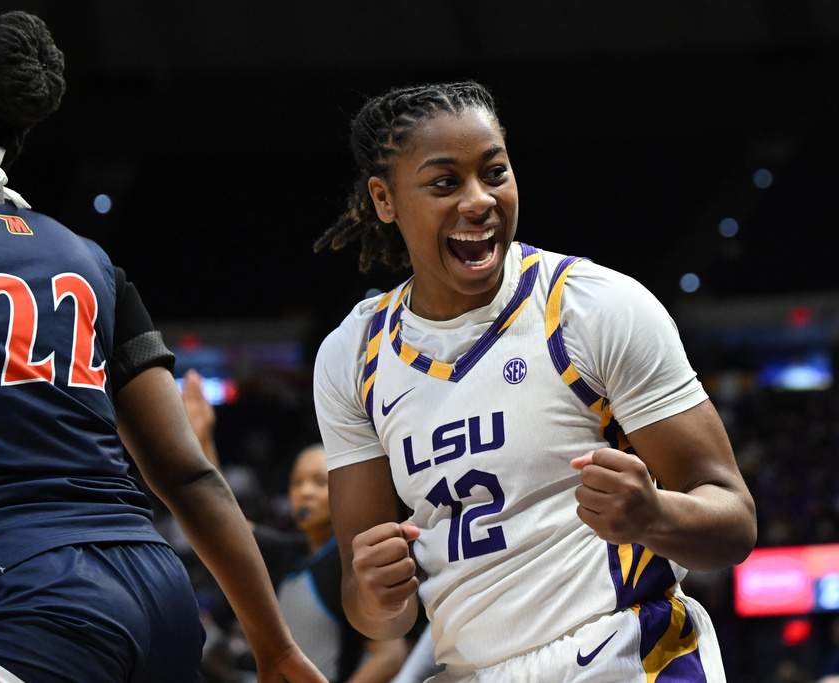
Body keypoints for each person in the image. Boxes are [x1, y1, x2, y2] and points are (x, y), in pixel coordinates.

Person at [0, 11, 325, 683]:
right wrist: (277, 645)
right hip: (160, 603)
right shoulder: (89, 258)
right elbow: (188, 474)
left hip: (18, 601)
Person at [312, 80, 757, 682]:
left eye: (494, 173)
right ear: (384, 199)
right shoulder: (351, 356)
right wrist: (375, 593)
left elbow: (734, 523)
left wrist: (655, 516)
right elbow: (375, 615)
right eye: (445, 183)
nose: (480, 201)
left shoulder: (594, 307)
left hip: (625, 653)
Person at [181, 375, 409, 682]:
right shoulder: (290, 554)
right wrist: (202, 438)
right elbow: (223, 521)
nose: (305, 492)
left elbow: (389, 655)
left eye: (319, 482)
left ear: (343, 492)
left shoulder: (352, 563)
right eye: (297, 482)